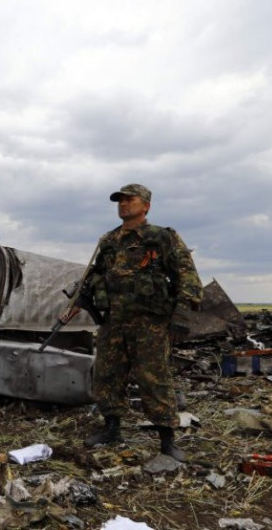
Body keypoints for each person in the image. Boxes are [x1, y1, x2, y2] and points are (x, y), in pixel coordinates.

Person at [82, 183, 202, 462]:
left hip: (150, 324)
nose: (123, 205)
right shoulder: (109, 240)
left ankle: (167, 440)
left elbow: (187, 275)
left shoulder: (161, 237)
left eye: (129, 200)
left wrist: (181, 316)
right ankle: (111, 428)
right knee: (107, 376)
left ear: (145, 205)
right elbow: (96, 274)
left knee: (154, 379)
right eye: (119, 201)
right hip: (113, 322)